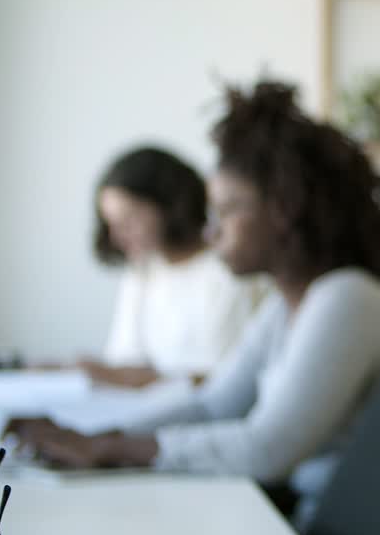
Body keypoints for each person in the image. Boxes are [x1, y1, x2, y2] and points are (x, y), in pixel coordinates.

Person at [8, 78, 380, 524]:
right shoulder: (286, 308)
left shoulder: (349, 298)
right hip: (295, 522)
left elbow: (267, 448)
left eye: (228, 210)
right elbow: (214, 405)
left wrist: (112, 448)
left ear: (285, 209)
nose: (209, 231)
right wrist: (94, 436)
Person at [77, 147, 262, 387]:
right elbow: (124, 360)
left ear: (169, 206)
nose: (117, 237)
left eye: (129, 219)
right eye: (112, 224)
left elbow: (226, 383)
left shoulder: (231, 272)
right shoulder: (142, 273)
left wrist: (128, 377)